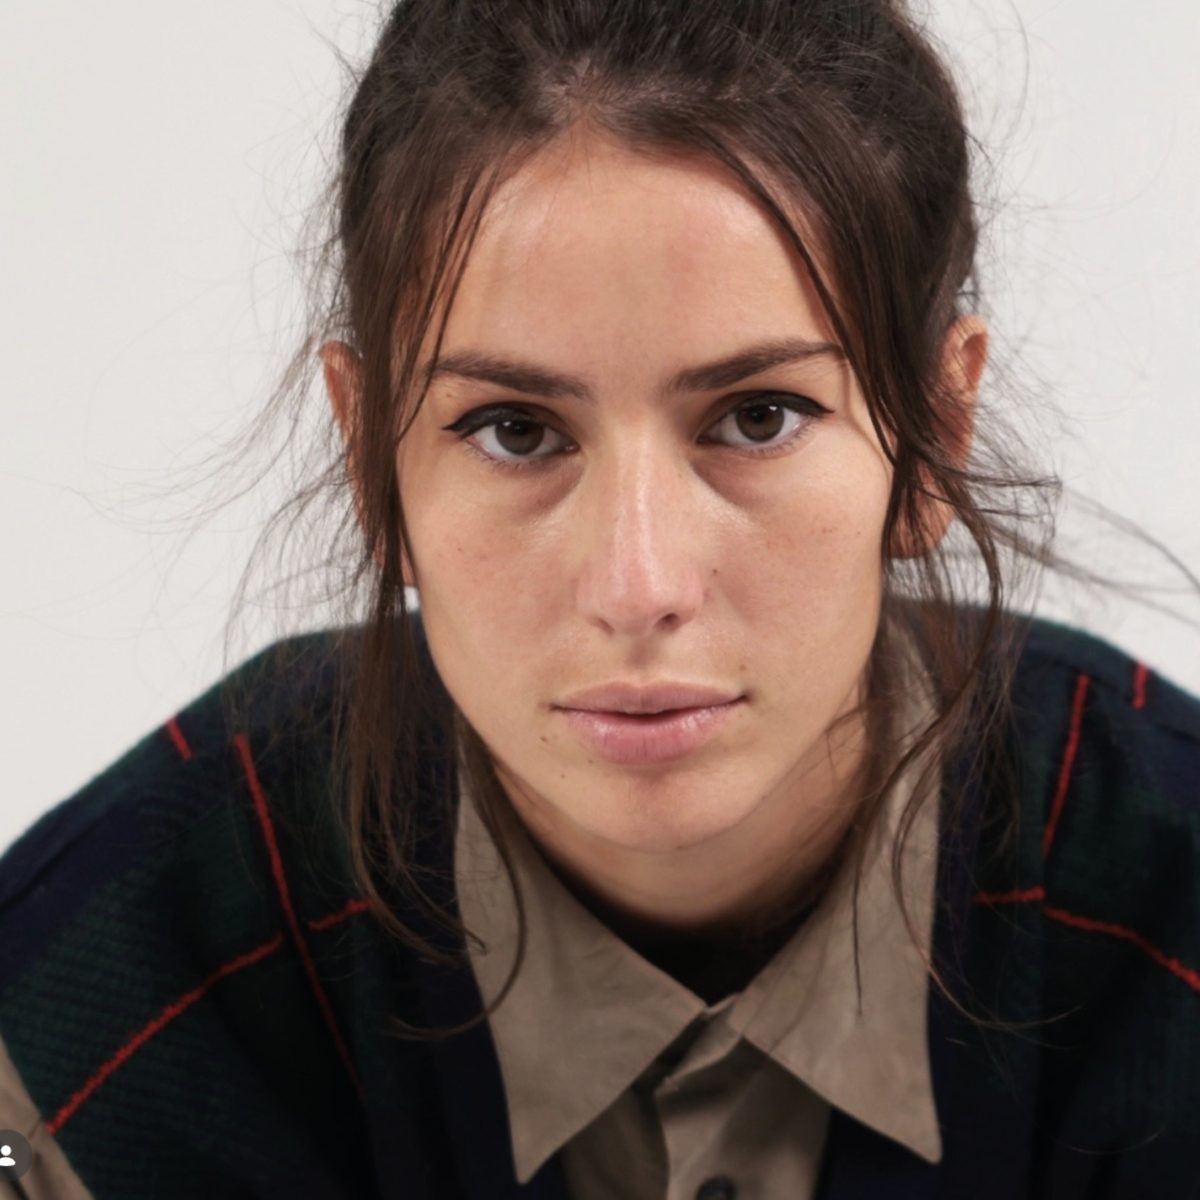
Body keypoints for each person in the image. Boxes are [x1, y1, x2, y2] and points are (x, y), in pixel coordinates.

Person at [1, 0, 1198, 1196]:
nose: (639, 588)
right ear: (370, 455)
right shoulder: (91, 1007)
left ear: (935, 435)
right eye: (515, 430)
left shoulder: (1170, 915)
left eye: (758, 418)